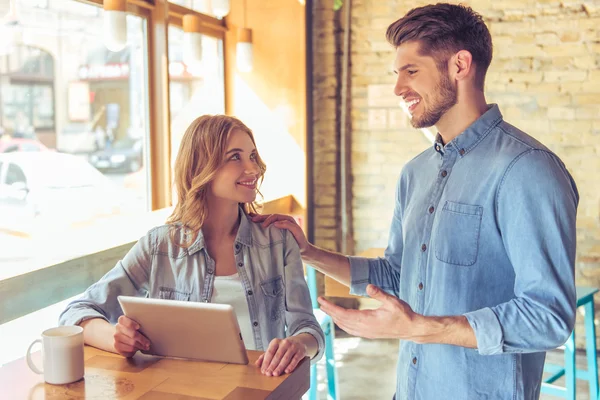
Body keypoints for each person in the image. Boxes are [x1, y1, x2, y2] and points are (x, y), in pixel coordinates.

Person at [254, 3, 579, 399]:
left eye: (411, 71)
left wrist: (418, 327)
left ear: (460, 65)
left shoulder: (527, 169)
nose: (397, 88)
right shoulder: (416, 172)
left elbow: (548, 317)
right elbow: (398, 275)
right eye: (396, 73)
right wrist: (309, 253)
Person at [59, 115, 324, 377]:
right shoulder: (159, 246)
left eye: (252, 155)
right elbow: (76, 312)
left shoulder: (278, 240)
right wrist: (114, 337)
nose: (253, 168)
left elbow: (308, 328)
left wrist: (298, 345)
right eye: (235, 157)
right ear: (202, 167)